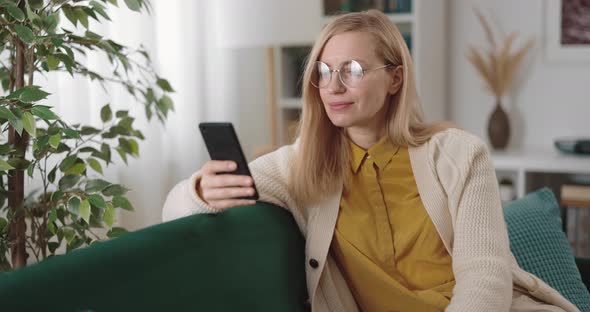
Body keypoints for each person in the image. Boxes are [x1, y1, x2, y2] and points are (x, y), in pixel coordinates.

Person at [162, 10, 578, 312]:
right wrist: (200, 189)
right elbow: (175, 211)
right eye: (323, 71)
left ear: (395, 78)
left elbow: (485, 275)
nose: (333, 86)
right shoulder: (303, 164)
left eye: (354, 69)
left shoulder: (460, 153)